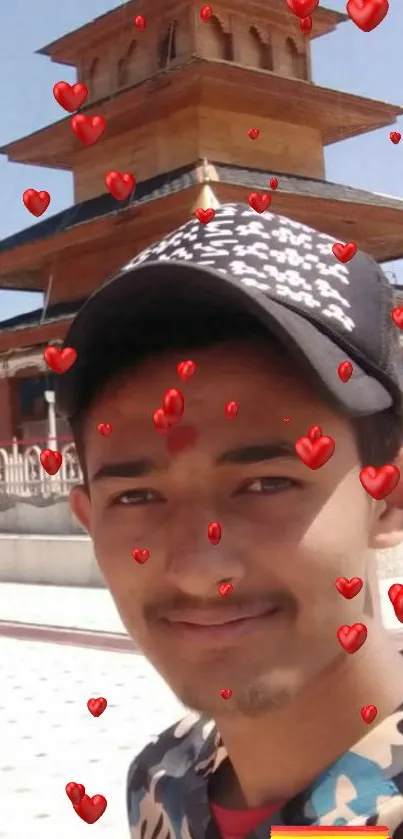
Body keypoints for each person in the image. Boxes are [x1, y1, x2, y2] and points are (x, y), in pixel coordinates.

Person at [56, 203, 403, 839]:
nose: (197, 567)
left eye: (268, 483)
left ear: (389, 495)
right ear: (87, 518)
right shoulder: (165, 779)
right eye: (135, 496)